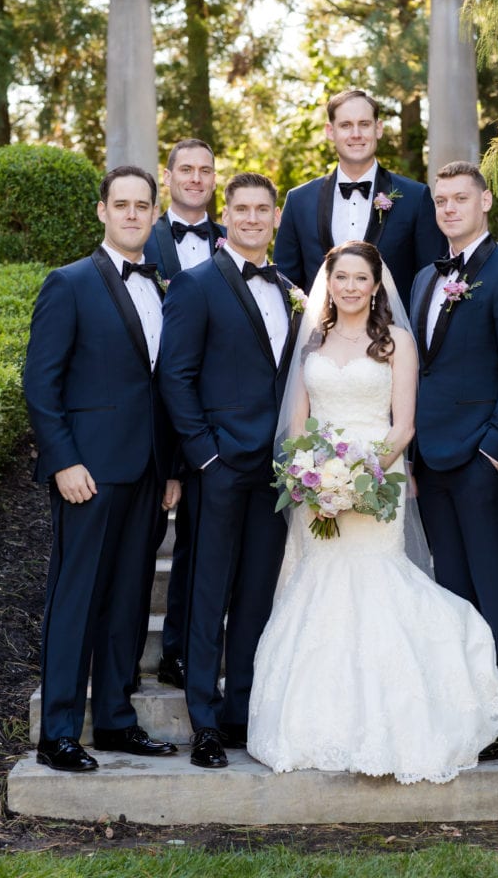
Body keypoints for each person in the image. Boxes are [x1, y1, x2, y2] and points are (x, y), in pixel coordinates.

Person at [247, 240, 498, 784]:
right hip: (317, 483)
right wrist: (313, 478)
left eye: (360, 279)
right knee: (320, 585)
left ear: (375, 285)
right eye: (340, 277)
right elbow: (296, 424)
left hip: (378, 480)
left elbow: (404, 425)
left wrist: (364, 477)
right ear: (330, 283)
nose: (350, 287)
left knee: (375, 579)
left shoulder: (397, 343)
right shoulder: (313, 343)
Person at [23, 165, 180, 773]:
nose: (134, 214)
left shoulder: (161, 287)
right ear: (103, 212)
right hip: (86, 471)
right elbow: (41, 385)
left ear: (153, 213)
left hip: (146, 471)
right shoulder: (68, 284)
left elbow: (161, 385)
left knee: (129, 599)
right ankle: (58, 731)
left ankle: (115, 720)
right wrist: (63, 460)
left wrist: (170, 469)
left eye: (144, 205)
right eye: (123, 205)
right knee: (77, 598)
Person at [158, 172, 300, 769]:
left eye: (261, 209)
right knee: (208, 593)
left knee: (255, 597)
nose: (250, 218)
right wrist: (204, 455)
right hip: (218, 465)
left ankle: (241, 711)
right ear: (227, 214)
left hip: (276, 471)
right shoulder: (195, 286)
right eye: (239, 209)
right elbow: (175, 375)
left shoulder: (291, 288)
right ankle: (205, 722)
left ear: (273, 218)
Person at [411, 162, 498, 761]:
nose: (449, 209)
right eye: (440, 200)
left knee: (496, 589)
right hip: (431, 459)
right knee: (453, 591)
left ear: (487, 202)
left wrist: (493, 449)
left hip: (480, 459)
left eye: (460, 198)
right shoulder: (421, 280)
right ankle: (470, 709)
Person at [143, 138, 226, 690]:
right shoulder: (140, 240)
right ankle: (122, 660)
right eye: (186, 170)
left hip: (211, 423)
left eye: (205, 170)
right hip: (148, 421)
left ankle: (181, 652)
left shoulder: (232, 242)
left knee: (199, 546)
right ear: (167, 176)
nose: (196, 178)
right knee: (140, 549)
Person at [273, 89, 446, 309]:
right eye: (346, 125)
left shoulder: (415, 197)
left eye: (364, 124)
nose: (356, 134)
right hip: (320, 339)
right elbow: (286, 282)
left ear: (378, 128)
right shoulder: (299, 201)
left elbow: (431, 280)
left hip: (394, 336)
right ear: (330, 131)